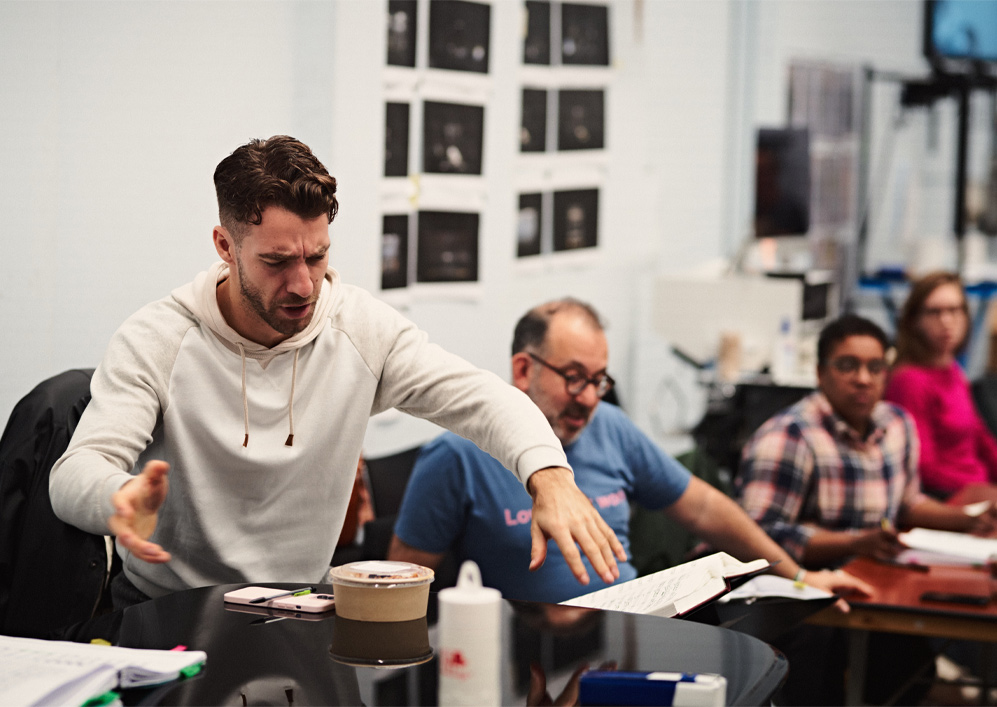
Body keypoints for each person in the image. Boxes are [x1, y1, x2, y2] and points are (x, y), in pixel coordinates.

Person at [48, 136, 626, 608]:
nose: (303, 284)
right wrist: (119, 496)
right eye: (276, 262)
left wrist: (550, 475)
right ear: (225, 245)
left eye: (317, 256)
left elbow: (480, 398)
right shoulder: (158, 338)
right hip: (169, 613)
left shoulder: (359, 329)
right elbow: (74, 473)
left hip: (302, 607)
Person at [388, 298, 871, 604]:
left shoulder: (610, 428)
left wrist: (802, 577)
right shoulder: (456, 456)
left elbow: (704, 509)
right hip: (528, 655)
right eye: (574, 377)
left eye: (599, 380)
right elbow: (401, 588)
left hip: (630, 635)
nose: (590, 398)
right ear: (522, 369)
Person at [737, 313, 997, 705]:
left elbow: (907, 502)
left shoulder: (896, 424)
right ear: (821, 373)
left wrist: (967, 518)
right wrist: (858, 542)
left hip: (870, 577)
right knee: (824, 668)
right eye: (847, 366)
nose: (863, 378)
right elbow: (759, 537)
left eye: (875, 367)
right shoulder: (788, 436)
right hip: (795, 586)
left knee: (911, 670)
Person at [885, 271, 997, 499]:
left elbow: (979, 436)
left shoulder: (952, 369)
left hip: (978, 489)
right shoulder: (909, 380)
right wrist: (981, 491)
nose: (946, 321)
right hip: (948, 498)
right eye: (934, 312)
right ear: (914, 320)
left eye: (954, 311)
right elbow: (923, 468)